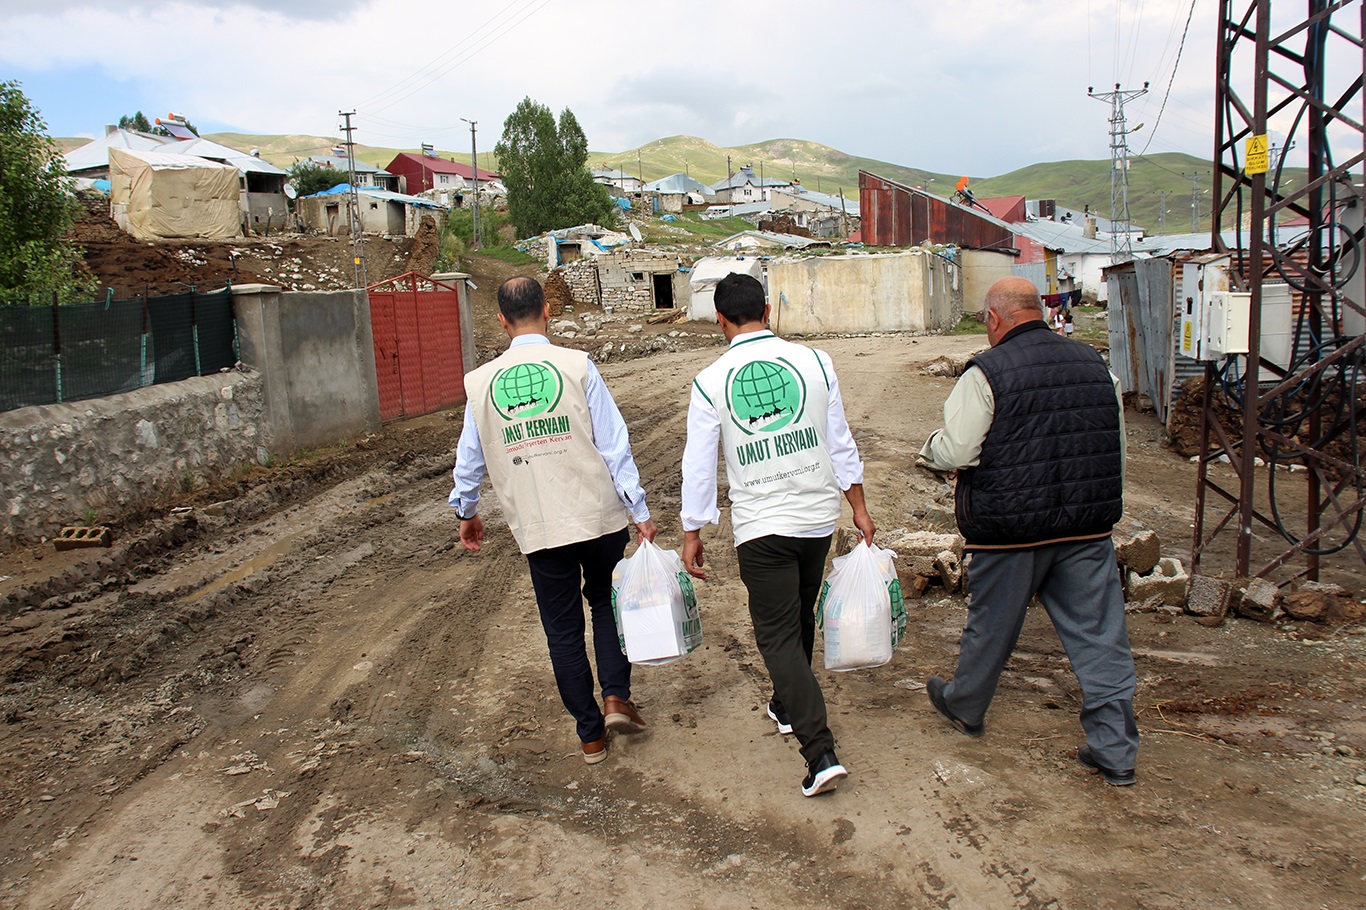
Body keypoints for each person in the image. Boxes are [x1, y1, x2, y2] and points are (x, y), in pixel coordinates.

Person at [916, 276, 1138, 786]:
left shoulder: (986, 372)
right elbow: (1116, 448)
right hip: (1086, 528)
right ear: (1037, 311)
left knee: (991, 625)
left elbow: (956, 451)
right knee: (1101, 638)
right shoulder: (1095, 365)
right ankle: (1115, 751)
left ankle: (965, 706)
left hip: (1011, 532)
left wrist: (929, 450)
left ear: (995, 318)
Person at [680, 272, 876, 797]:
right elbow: (840, 442)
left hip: (761, 527)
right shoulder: (815, 363)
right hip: (816, 520)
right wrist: (857, 508)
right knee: (797, 618)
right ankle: (786, 704)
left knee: (776, 635)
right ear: (767, 309)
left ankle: (820, 751)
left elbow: (698, 466)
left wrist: (692, 531)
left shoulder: (710, 381)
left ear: (719, 319)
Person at [450, 276, 658, 765]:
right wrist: (640, 510)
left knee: (561, 628)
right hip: (599, 516)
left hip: (540, 525)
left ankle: (590, 735)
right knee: (606, 604)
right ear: (547, 311)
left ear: (502, 320)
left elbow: (470, 458)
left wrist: (468, 510)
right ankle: (614, 697)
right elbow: (613, 443)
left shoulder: (480, 383)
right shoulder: (577, 365)